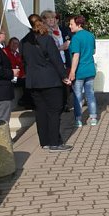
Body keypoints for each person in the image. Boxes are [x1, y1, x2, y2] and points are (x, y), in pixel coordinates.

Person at [21, 14, 71, 151]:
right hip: (50, 80)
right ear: (41, 23)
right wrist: (64, 76)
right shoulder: (46, 39)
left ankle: (44, 142)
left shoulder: (24, 41)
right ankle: (55, 142)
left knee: (41, 112)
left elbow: (24, 61)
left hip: (33, 82)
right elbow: (56, 59)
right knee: (54, 111)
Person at [67, 15, 98, 127]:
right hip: (90, 69)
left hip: (80, 71)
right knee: (90, 94)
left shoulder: (76, 38)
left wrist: (72, 72)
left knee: (78, 96)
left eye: (71, 24)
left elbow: (76, 56)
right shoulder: (90, 35)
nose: (70, 26)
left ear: (78, 24)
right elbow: (94, 51)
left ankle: (78, 119)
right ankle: (93, 117)